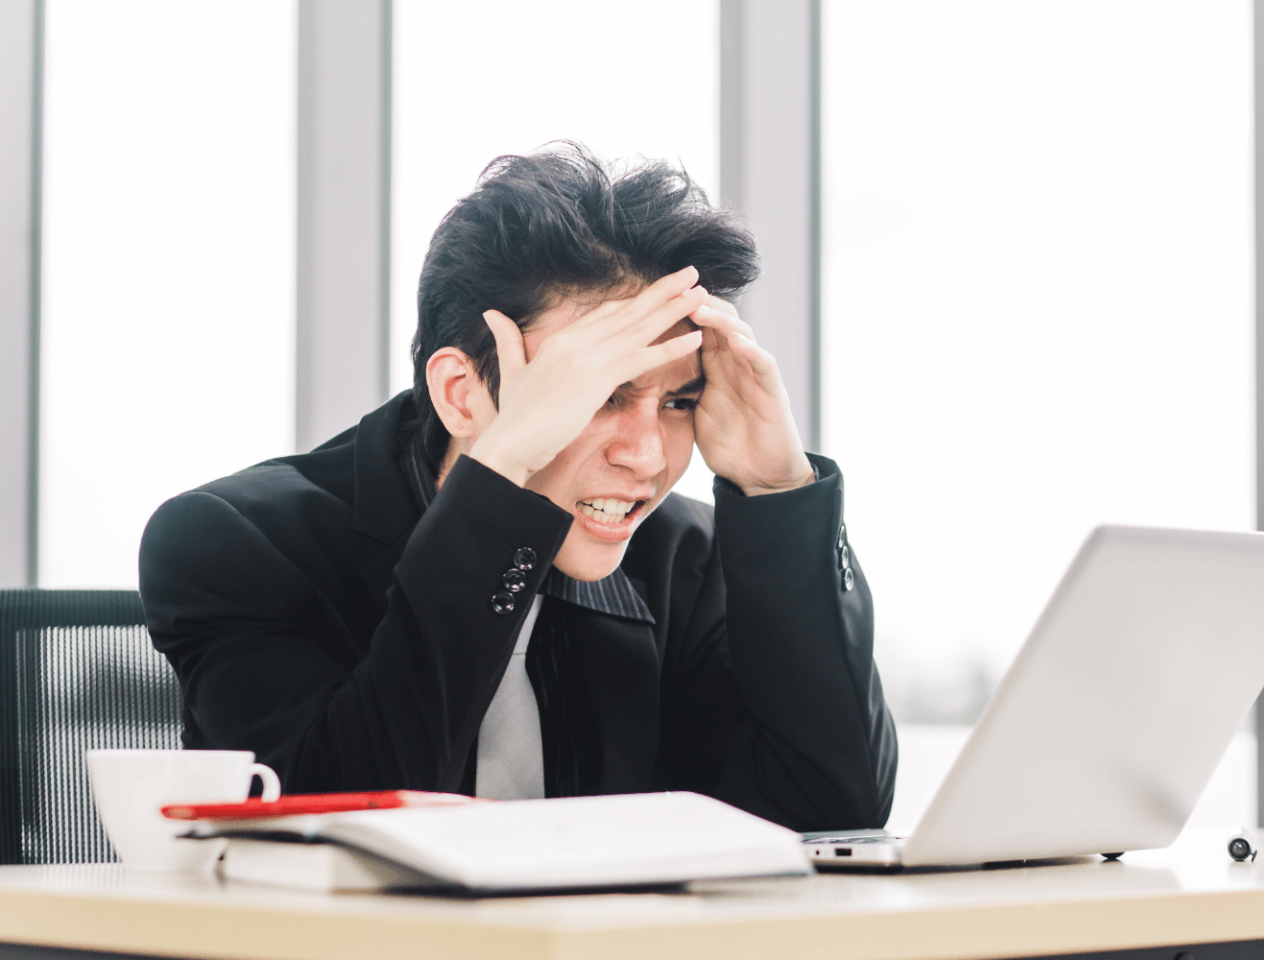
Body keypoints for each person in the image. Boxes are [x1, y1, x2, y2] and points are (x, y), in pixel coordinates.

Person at [138, 145, 895, 831]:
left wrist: (774, 487)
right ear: (464, 395)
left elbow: (829, 813)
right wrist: (501, 485)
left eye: (678, 402)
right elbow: (343, 823)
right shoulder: (235, 544)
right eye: (598, 393)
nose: (644, 456)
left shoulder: (687, 559)